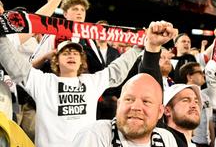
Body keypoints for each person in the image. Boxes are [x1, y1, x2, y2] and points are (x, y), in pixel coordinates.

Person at [0, 20, 177, 147]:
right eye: (66, 53)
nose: (71, 55)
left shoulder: (90, 81)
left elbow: (116, 70)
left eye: (76, 53)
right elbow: (15, 66)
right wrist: (1, 35)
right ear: (56, 60)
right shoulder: (43, 81)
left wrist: (140, 46)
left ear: (82, 60)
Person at [72, 73, 178, 146]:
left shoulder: (166, 138)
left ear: (160, 112)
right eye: (129, 99)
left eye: (146, 101)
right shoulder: (95, 134)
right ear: (119, 104)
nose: (136, 107)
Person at [178, 62, 215, 147]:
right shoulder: (181, 96)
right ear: (189, 76)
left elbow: (210, 121)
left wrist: (213, 141)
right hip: (192, 141)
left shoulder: (206, 97)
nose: (203, 75)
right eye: (200, 72)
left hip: (207, 142)